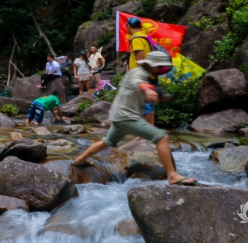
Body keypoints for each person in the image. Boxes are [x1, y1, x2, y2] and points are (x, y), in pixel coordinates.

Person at [72, 51, 195, 185]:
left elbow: (136, 88)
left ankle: (80, 159)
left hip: (118, 115)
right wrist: (147, 89)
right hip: (126, 116)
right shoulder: (139, 74)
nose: (162, 70)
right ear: (152, 65)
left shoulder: (138, 73)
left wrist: (158, 96)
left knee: (107, 141)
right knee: (162, 137)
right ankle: (172, 175)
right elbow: (138, 83)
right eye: (160, 67)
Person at [125, 17, 156, 123]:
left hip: (142, 76)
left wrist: (138, 77)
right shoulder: (145, 36)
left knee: (144, 105)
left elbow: (140, 57)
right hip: (149, 74)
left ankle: (146, 134)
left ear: (129, 26)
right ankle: (149, 131)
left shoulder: (137, 38)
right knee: (148, 104)